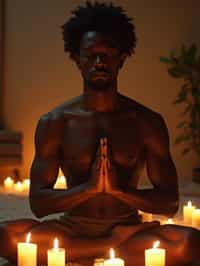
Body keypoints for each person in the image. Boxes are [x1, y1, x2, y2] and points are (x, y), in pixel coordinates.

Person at [1, 2, 200, 266]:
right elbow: (39, 203)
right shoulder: (55, 122)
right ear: (77, 59)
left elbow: (169, 202)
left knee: (191, 242)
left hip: (129, 229)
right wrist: (89, 189)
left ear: (122, 58)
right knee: (3, 234)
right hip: (73, 229)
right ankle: (107, 247)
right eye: (91, 55)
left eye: (108, 54)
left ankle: (87, 251)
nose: (99, 62)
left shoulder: (146, 122)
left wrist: (119, 192)